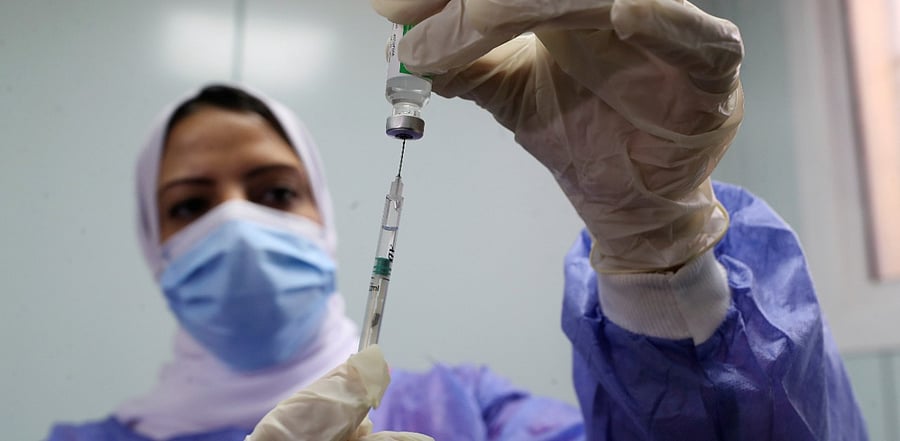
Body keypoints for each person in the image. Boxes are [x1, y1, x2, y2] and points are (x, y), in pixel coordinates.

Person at [47, 0, 869, 440]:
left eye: (273, 190)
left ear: (324, 217)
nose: (236, 224)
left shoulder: (472, 415)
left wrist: (657, 252)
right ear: (153, 244)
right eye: (190, 204)